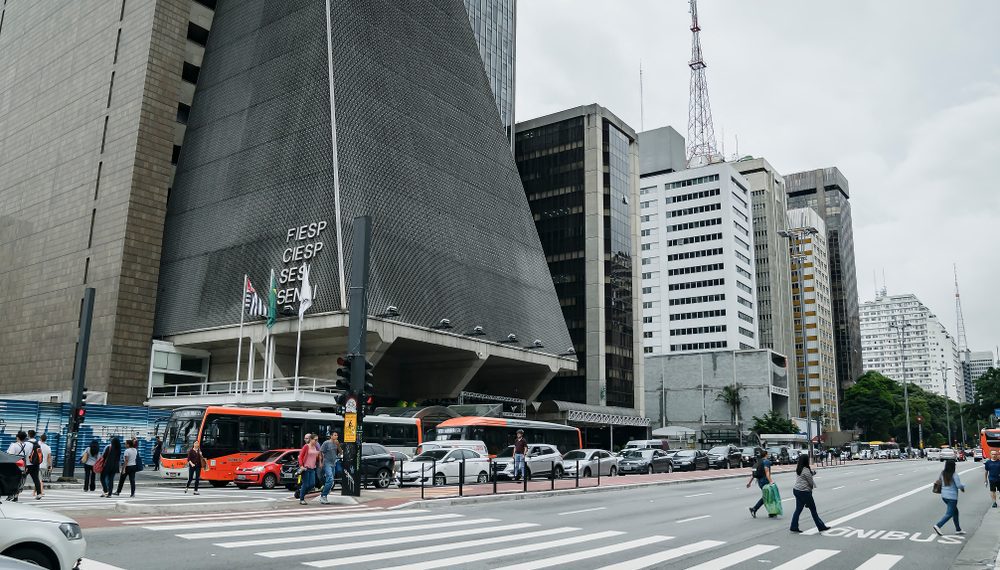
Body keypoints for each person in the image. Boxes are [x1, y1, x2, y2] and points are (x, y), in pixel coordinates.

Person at [790, 454, 830, 533]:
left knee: (798, 509)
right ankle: (821, 526)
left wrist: (813, 473)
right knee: (813, 510)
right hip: (804, 492)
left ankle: (793, 526)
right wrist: (811, 489)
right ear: (806, 461)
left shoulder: (799, 468)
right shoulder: (806, 470)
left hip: (796, 490)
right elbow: (810, 482)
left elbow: (807, 475)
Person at [933, 459, 966, 535]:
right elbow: (958, 485)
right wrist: (963, 485)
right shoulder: (954, 474)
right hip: (952, 497)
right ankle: (938, 525)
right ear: (953, 466)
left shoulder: (942, 473)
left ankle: (958, 529)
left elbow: (939, 481)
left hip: (944, 496)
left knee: (955, 512)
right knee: (950, 513)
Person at [747, 449, 776, 518]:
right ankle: (754, 509)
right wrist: (771, 481)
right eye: (767, 454)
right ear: (766, 455)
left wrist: (749, 483)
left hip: (759, 481)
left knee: (768, 496)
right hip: (765, 481)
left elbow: (753, 474)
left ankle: (771, 512)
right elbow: (767, 472)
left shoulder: (758, 462)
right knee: (767, 497)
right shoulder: (766, 462)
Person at [5, 431, 33, 501]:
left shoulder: (14, 445)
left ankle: (10, 495)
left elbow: (10, 456)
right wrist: (27, 467)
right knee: (20, 481)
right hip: (23, 465)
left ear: (17, 437)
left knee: (11, 480)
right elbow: (28, 457)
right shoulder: (28, 446)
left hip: (14, 465)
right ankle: (16, 496)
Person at [319, 432, 342, 504]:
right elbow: (321, 452)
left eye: (337, 435)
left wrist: (338, 445)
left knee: (331, 481)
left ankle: (325, 489)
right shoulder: (326, 443)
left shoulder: (336, 443)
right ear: (331, 436)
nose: (336, 436)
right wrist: (321, 462)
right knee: (330, 478)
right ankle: (323, 496)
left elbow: (341, 452)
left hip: (333, 464)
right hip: (327, 463)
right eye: (335, 435)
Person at [298, 434, 321, 505]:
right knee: (306, 484)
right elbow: (300, 456)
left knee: (312, 484)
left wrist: (320, 462)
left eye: (317, 440)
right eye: (315, 440)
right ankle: (301, 499)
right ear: (311, 439)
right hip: (306, 468)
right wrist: (301, 466)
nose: (316, 441)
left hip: (312, 468)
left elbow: (317, 456)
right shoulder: (306, 446)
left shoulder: (315, 447)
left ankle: (300, 492)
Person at [24, 430, 43, 499]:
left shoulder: (26, 443)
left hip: (27, 464)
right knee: (36, 479)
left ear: (28, 435)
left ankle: (16, 494)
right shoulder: (38, 443)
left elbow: (24, 454)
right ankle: (39, 494)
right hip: (35, 464)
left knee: (21, 479)